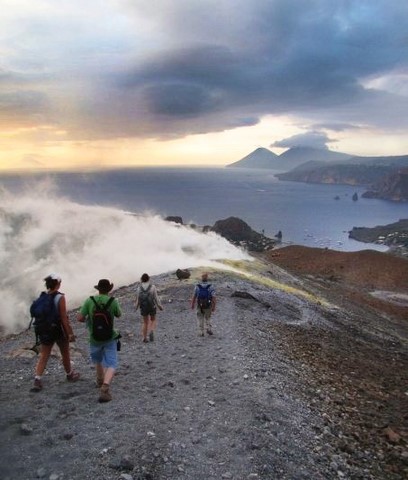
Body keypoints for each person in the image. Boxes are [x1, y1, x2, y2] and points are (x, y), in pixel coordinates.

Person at [31, 274, 80, 391]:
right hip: (57, 330)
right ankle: (69, 374)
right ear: (58, 284)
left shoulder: (42, 298)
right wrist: (70, 333)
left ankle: (37, 379)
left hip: (44, 329)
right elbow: (63, 318)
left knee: (44, 355)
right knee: (65, 353)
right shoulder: (60, 297)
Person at [77, 279, 122, 403]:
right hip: (110, 337)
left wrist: (89, 321)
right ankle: (105, 387)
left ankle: (99, 380)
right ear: (109, 289)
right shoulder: (113, 301)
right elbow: (119, 314)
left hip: (94, 337)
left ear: (98, 289)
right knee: (112, 363)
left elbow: (79, 317)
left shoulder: (89, 301)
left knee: (98, 360)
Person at [135, 273, 163, 343]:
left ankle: (144, 338)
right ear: (148, 279)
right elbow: (156, 298)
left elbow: (138, 300)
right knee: (153, 319)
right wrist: (160, 306)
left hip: (143, 307)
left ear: (141, 279)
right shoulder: (152, 287)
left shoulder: (139, 288)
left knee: (145, 322)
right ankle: (152, 330)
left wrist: (136, 307)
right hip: (151, 306)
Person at [191, 272, 216, 336]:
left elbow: (194, 296)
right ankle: (208, 328)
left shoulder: (197, 286)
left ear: (201, 278)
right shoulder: (211, 286)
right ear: (207, 278)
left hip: (199, 305)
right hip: (208, 305)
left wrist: (192, 304)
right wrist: (214, 306)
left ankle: (201, 332)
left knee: (200, 317)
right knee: (208, 317)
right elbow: (214, 297)